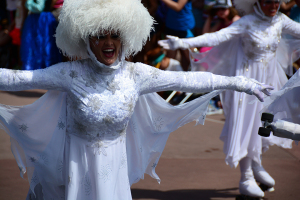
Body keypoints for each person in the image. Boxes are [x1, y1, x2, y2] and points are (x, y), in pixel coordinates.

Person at [0, 0, 273, 199]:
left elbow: (189, 80)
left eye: (115, 34)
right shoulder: (69, 73)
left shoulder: (137, 74)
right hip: (77, 167)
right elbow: (17, 79)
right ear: (86, 40)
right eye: (100, 35)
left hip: (115, 168)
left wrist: (240, 82)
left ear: (125, 37)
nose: (109, 42)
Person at [158, 0, 300, 198]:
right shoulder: (246, 22)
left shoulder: (280, 20)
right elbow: (216, 37)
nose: (273, 6)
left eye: (276, 1)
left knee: (263, 125)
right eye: (268, 1)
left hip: (269, 82)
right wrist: (183, 42)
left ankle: (257, 164)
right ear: (257, 2)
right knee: (246, 126)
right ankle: (246, 176)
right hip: (246, 85)